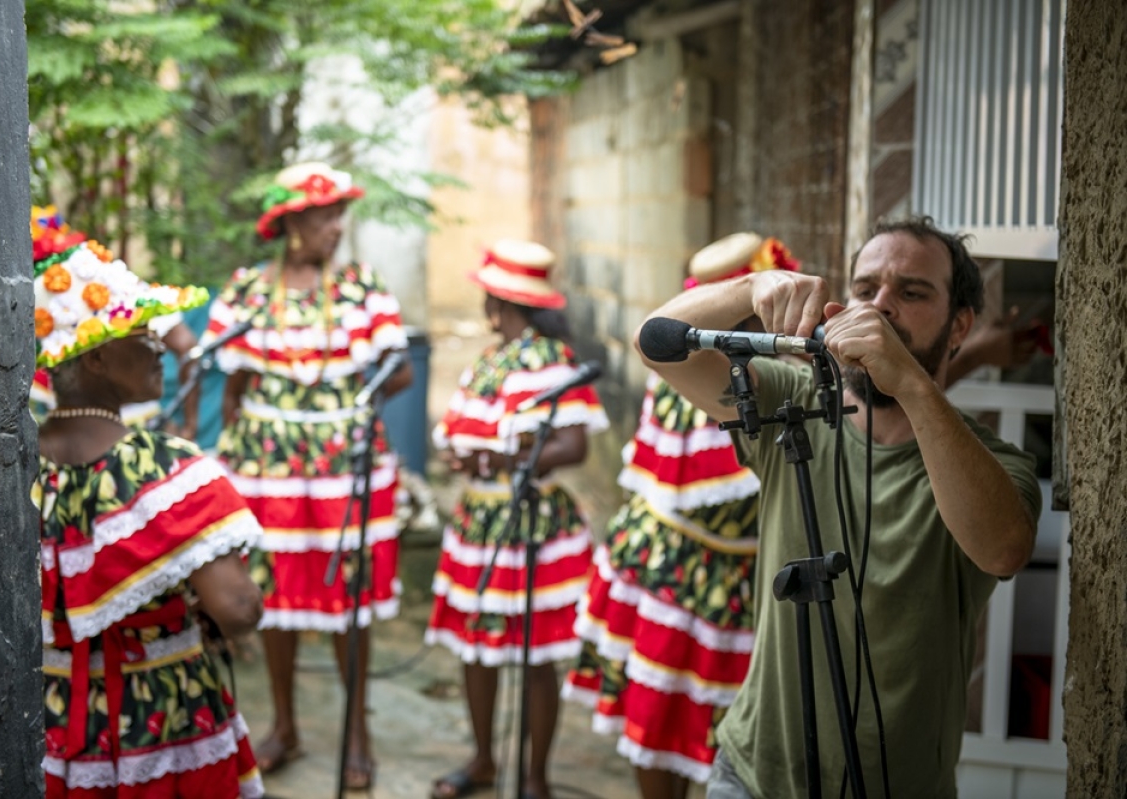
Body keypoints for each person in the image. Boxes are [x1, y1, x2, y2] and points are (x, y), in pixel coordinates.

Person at [637, 216, 1043, 799]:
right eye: (865, 289)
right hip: (752, 776)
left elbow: (1005, 547)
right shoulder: (791, 403)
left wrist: (909, 382)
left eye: (911, 292)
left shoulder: (993, 463)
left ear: (960, 327)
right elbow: (657, 342)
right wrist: (751, 289)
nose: (880, 307)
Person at [195, 162, 411, 787]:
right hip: (269, 472)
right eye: (325, 216)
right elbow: (233, 382)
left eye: (340, 215)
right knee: (276, 596)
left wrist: (348, 409)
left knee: (350, 599)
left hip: (345, 469)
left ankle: (357, 737)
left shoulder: (360, 290)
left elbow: (399, 371)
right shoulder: (248, 291)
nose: (336, 227)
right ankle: (284, 726)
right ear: (291, 223)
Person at [564, 233, 800, 799]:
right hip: (683, 570)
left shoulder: (772, 371)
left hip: (733, 573)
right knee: (664, 709)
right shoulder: (714, 372)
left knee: (719, 726)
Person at [32, 227, 265, 797]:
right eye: (142, 335)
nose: (160, 346)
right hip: (162, 716)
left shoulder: (16, 466)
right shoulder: (160, 469)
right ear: (100, 360)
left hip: (49, 721)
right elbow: (236, 608)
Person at [426, 240, 608, 799]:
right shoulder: (488, 360)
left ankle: (535, 778)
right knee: (477, 646)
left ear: (500, 302)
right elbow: (460, 428)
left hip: (533, 523)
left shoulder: (552, 361)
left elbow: (573, 446)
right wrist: (461, 455)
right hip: (479, 521)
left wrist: (505, 460)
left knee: (533, 652)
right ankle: (484, 761)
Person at [30, 205, 199, 432]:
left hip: (80, 437)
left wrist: (189, 426)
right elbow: (187, 346)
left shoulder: (112, 290)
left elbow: (187, 347)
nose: (159, 349)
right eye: (145, 332)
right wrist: (189, 426)